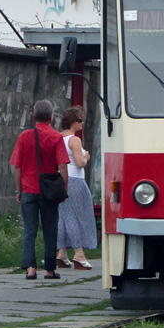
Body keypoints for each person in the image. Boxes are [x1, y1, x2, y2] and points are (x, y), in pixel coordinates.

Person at [10, 99, 69, 281]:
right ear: (51, 117)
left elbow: (17, 167)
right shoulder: (56, 137)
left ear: (33, 116)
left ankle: (30, 269)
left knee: (30, 230)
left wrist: (19, 190)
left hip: (29, 189)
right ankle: (50, 270)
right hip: (49, 191)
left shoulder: (24, 137)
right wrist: (63, 189)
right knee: (50, 229)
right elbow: (63, 166)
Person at [55, 106, 97, 271]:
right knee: (77, 216)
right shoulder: (75, 140)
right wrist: (86, 156)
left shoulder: (58, 138)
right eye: (79, 120)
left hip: (60, 179)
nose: (82, 123)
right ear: (72, 122)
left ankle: (61, 253)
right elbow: (80, 163)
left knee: (62, 217)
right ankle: (79, 254)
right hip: (75, 180)